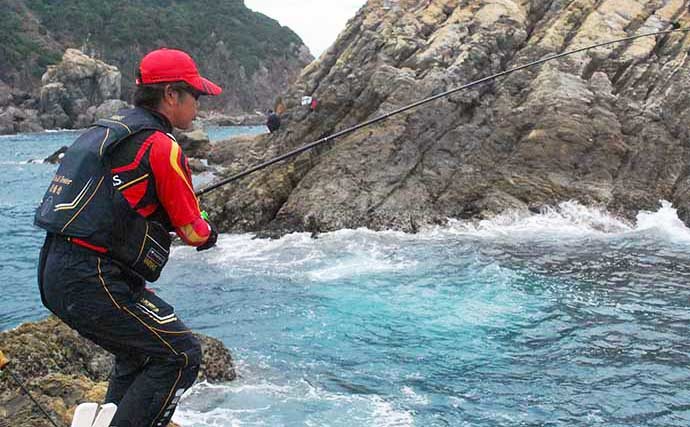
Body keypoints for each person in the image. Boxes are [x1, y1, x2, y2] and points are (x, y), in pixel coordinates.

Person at [34, 48, 222, 426]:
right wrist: (208, 231)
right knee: (180, 354)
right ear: (171, 95)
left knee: (139, 353)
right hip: (93, 277)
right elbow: (193, 232)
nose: (198, 107)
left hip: (56, 268)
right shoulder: (161, 146)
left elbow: (117, 202)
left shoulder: (107, 132)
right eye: (195, 96)